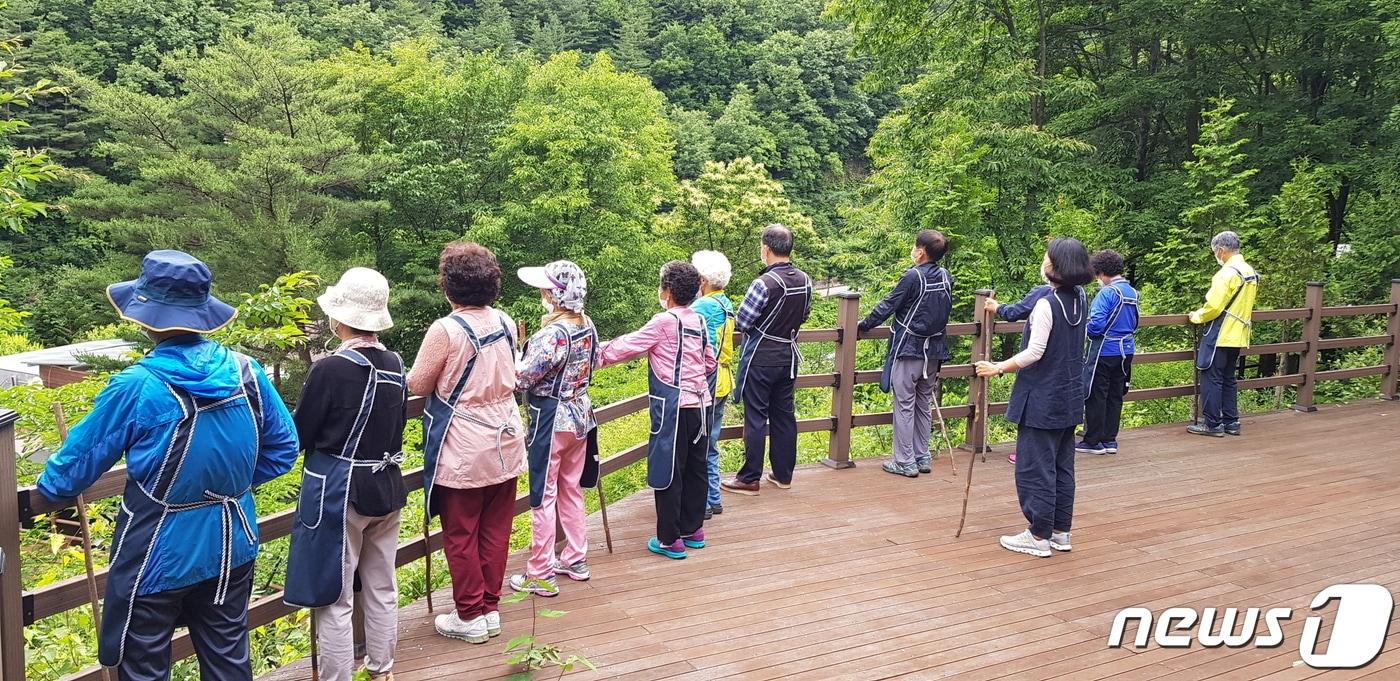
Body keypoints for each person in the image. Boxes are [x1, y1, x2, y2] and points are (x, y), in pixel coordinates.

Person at [36, 250, 299, 681]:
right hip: (233, 540)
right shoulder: (245, 372)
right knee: (228, 657)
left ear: (144, 315)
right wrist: (221, 488)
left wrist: (44, 496)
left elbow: (68, 473)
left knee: (144, 664)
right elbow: (283, 449)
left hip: (159, 550)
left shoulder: (137, 386)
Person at [285, 268, 407, 681]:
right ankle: (382, 669)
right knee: (381, 586)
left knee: (334, 599)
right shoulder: (395, 364)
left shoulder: (329, 369)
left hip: (342, 493)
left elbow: (300, 434)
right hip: (387, 486)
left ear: (339, 319)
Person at [407, 242, 525, 644]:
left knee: (460, 532)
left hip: (463, 444)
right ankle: (489, 608)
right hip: (506, 436)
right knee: (496, 528)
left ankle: (470, 614)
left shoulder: (446, 330)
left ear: (448, 287)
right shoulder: (506, 322)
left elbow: (418, 384)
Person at [975, 238, 1093, 558]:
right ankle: (1059, 531)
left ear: (1054, 267)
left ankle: (1038, 535)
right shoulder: (1080, 298)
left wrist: (997, 367)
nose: (1043, 262)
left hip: (1042, 395)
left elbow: (1034, 353)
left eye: (1046, 259)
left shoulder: (1046, 303)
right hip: (1069, 393)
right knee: (1061, 465)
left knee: (1035, 467)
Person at [597, 261, 716, 559]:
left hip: (673, 408)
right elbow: (709, 361)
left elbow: (628, 345)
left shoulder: (663, 322)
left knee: (669, 470)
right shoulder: (698, 320)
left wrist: (594, 353)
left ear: (667, 291)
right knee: (696, 469)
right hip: (701, 405)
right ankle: (693, 530)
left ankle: (669, 539)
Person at [509, 261, 598, 597]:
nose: (542, 294)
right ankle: (575, 558)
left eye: (546, 289)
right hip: (580, 416)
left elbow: (523, 377)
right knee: (571, 489)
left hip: (551, 419)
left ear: (555, 295)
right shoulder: (587, 325)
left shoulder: (552, 334)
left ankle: (540, 572)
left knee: (543, 496)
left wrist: (517, 358)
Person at [721, 224, 813, 496]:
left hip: (761, 357)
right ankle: (783, 474)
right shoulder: (805, 279)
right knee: (784, 415)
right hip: (788, 356)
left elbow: (744, 321)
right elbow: (804, 315)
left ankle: (750, 478)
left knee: (756, 416)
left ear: (766, 249)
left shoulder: (764, 283)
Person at [857, 230, 954, 478]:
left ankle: (904, 461)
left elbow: (889, 305)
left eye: (915, 247)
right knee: (923, 403)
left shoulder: (912, 277)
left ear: (920, 251)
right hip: (934, 350)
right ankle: (922, 456)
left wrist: (864, 325)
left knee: (904, 404)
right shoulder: (946, 276)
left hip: (909, 349)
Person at [1188, 231, 1258, 437]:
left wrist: (1196, 316)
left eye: (1214, 252)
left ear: (1220, 250)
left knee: (1210, 376)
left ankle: (1212, 424)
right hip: (1238, 333)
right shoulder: (1249, 271)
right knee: (1228, 378)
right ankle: (1231, 422)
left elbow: (1214, 307)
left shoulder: (1226, 273)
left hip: (1220, 332)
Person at [1077, 250, 1139, 455]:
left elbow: (1096, 325)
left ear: (1101, 272)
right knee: (1115, 395)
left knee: (1096, 394)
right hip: (1126, 350)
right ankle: (1110, 439)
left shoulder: (1107, 293)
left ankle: (1093, 440)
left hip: (1104, 351)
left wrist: (1085, 330)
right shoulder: (1131, 292)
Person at [690, 250, 736, 517]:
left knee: (699, 444)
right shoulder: (724, 302)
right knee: (711, 442)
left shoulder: (702, 307)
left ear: (703, 280)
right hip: (723, 380)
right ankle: (714, 498)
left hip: (707, 382)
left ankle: (703, 504)